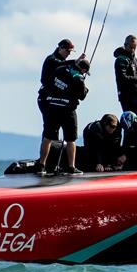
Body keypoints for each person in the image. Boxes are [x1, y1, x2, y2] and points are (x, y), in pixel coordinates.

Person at [36, 39, 84, 175]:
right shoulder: (51, 59)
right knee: (50, 134)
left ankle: (64, 165)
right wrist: (75, 62)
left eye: (70, 52)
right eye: (67, 51)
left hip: (62, 103)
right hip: (47, 101)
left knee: (64, 136)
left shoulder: (65, 64)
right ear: (60, 48)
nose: (69, 54)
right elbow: (59, 65)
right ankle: (43, 164)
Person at [113, 34, 137, 115]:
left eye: (134, 48)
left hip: (136, 95)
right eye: (131, 47)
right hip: (126, 96)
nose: (133, 50)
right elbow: (122, 78)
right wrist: (136, 79)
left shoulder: (134, 59)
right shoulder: (120, 59)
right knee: (131, 122)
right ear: (125, 45)